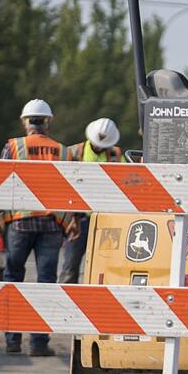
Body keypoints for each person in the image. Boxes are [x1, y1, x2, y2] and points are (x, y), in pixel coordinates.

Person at [0, 100, 75, 356]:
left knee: (13, 280)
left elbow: (1, 183)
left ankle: (12, 340)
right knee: (45, 283)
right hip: (51, 226)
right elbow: (69, 190)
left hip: (19, 222)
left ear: (25, 121)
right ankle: (39, 343)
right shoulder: (62, 150)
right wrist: (70, 220)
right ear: (48, 122)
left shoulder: (14, 146)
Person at [59, 118, 123, 284]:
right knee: (70, 267)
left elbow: (124, 184)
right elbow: (65, 188)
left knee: (108, 267)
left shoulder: (116, 154)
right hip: (79, 219)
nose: (100, 147)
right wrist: (68, 218)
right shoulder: (73, 152)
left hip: (108, 221)